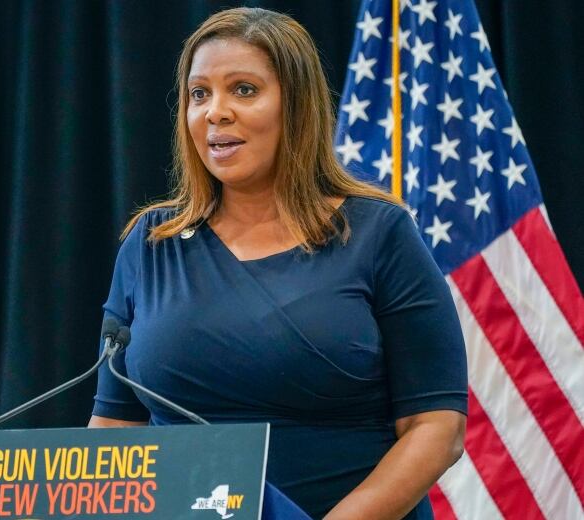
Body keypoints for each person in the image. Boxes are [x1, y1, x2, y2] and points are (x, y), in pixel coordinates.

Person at [88, 7, 467, 520]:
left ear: (298, 106)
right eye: (199, 94)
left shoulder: (378, 233)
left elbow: (435, 427)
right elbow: (114, 430)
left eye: (243, 89)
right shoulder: (152, 242)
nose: (216, 112)